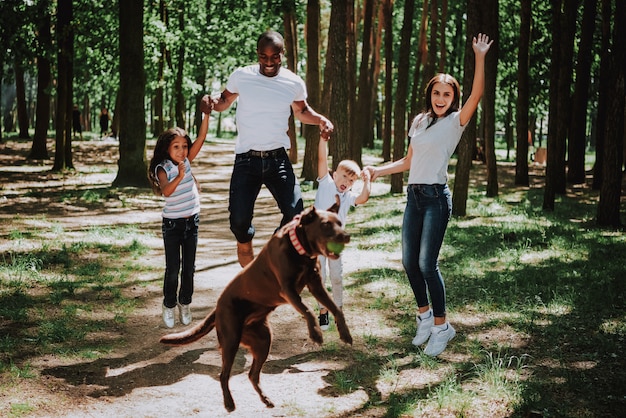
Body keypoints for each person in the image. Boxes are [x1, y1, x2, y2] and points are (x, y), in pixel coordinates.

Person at [366, 33, 493, 356]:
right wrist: (378, 171)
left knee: (427, 263)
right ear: (430, 95)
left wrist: (479, 56)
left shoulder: (455, 122)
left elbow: (477, 94)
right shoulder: (420, 121)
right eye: (437, 92)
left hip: (437, 199)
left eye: (447, 94)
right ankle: (423, 316)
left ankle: (442, 326)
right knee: (409, 262)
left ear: (453, 98)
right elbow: (409, 161)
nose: (441, 98)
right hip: (414, 197)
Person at [206, 30, 334, 268]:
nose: (269, 62)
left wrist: (321, 120)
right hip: (246, 160)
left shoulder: (292, 82)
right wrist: (212, 101)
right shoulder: (241, 76)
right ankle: (246, 253)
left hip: (278, 160)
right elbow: (224, 101)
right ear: (258, 55)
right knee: (239, 223)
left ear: (282, 54)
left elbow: (302, 111)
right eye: (263, 57)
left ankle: (269, 255)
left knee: (296, 213)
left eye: (274, 56)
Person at [147, 105, 211, 328]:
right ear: (167, 149)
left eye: (185, 146)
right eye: (176, 147)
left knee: (189, 268)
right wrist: (181, 175)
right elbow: (166, 191)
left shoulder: (187, 160)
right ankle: (169, 304)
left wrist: (207, 114)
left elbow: (202, 136)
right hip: (173, 225)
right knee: (173, 268)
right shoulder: (163, 168)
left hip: (191, 222)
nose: (182, 151)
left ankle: (185, 303)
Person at [315, 134, 371, 330]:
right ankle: (323, 311)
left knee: (336, 276)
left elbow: (364, 198)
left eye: (351, 180)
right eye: (344, 176)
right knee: (320, 277)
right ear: (335, 174)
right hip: (317, 242)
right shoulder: (326, 184)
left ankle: (337, 309)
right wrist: (323, 140)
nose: (346, 182)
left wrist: (367, 181)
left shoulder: (348, 197)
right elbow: (322, 159)